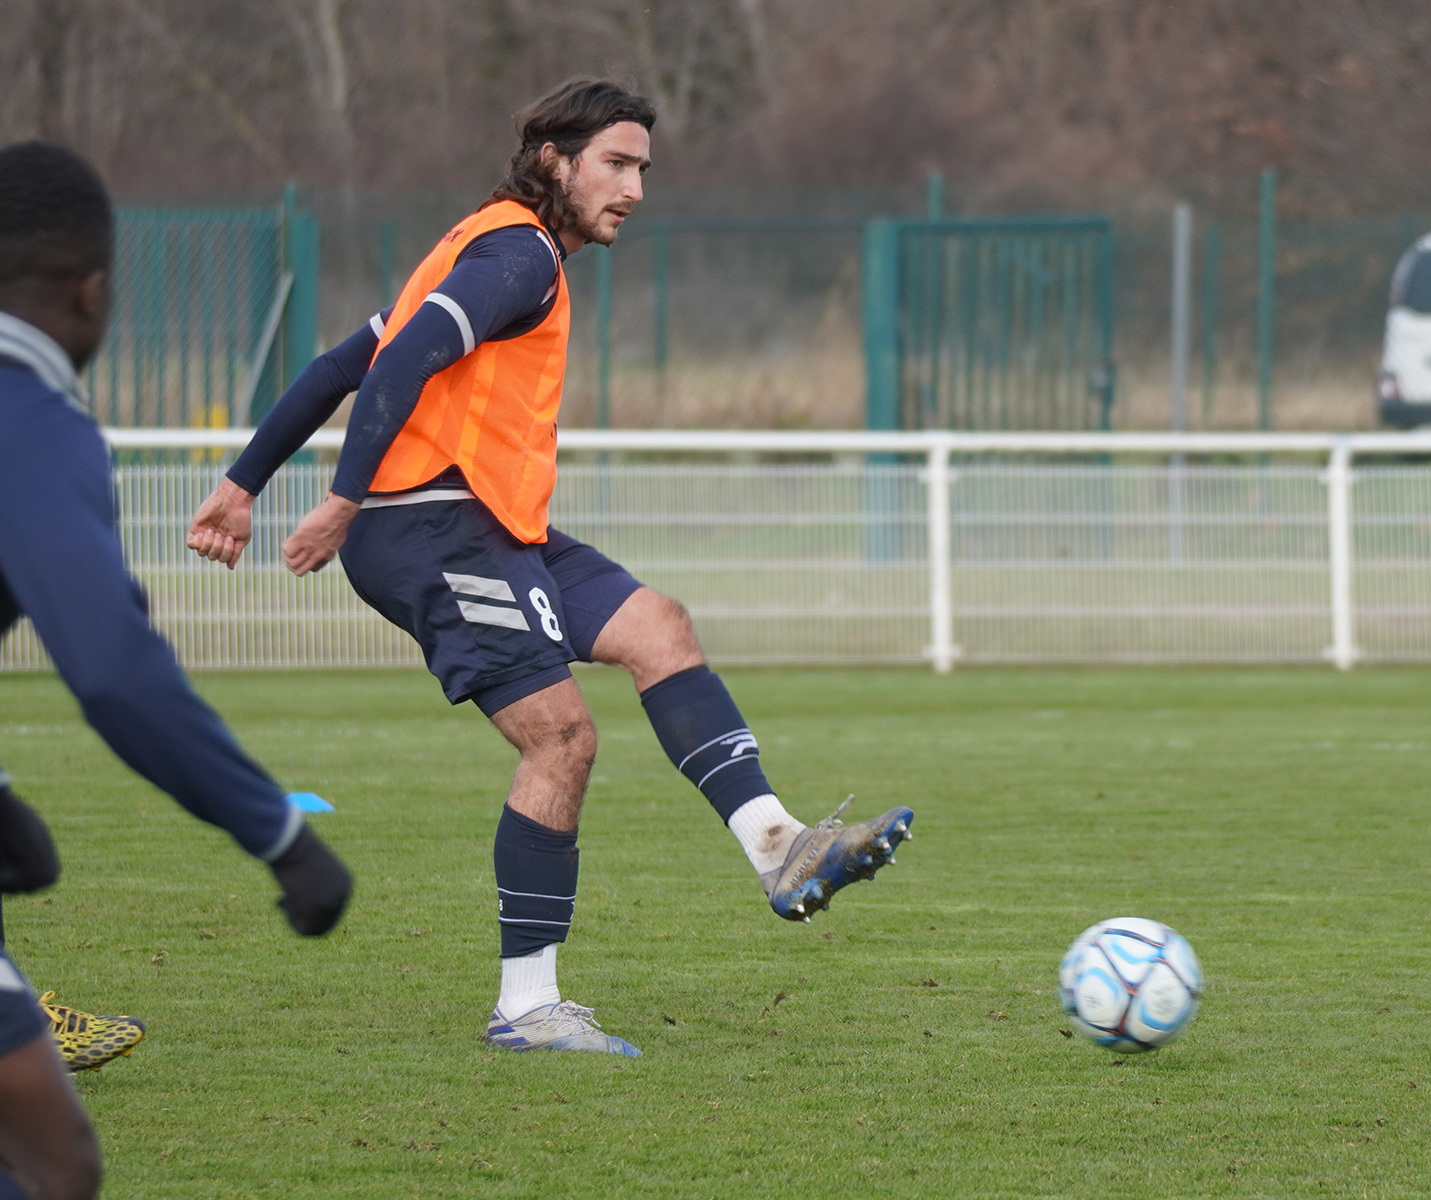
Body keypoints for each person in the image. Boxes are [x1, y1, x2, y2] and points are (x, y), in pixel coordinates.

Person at [187, 79, 914, 1058]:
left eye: (643, 168)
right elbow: (397, 367)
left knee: (659, 627)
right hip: (429, 525)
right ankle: (527, 1007)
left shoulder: (485, 244)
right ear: (551, 161)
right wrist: (342, 498)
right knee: (560, 740)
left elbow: (338, 364)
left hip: (486, 520)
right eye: (615, 163)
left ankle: (781, 848)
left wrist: (241, 483)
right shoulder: (518, 259)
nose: (635, 189)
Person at [0, 139, 357, 1196]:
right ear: (95, 291)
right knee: (51, 1157)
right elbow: (111, 667)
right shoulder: (31, 418)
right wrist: (280, 834)